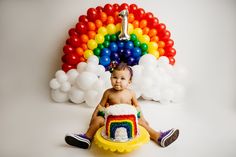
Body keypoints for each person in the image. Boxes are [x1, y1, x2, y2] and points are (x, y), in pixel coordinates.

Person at [65, 63, 179, 149]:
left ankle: (159, 137)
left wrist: (144, 119)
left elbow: (137, 107)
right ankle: (87, 138)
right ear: (110, 78)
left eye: (122, 78)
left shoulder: (131, 93)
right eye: (115, 77)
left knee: (142, 123)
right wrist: (93, 120)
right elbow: (100, 107)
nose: (118, 81)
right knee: (98, 120)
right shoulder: (108, 92)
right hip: (110, 120)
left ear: (129, 82)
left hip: (129, 120)